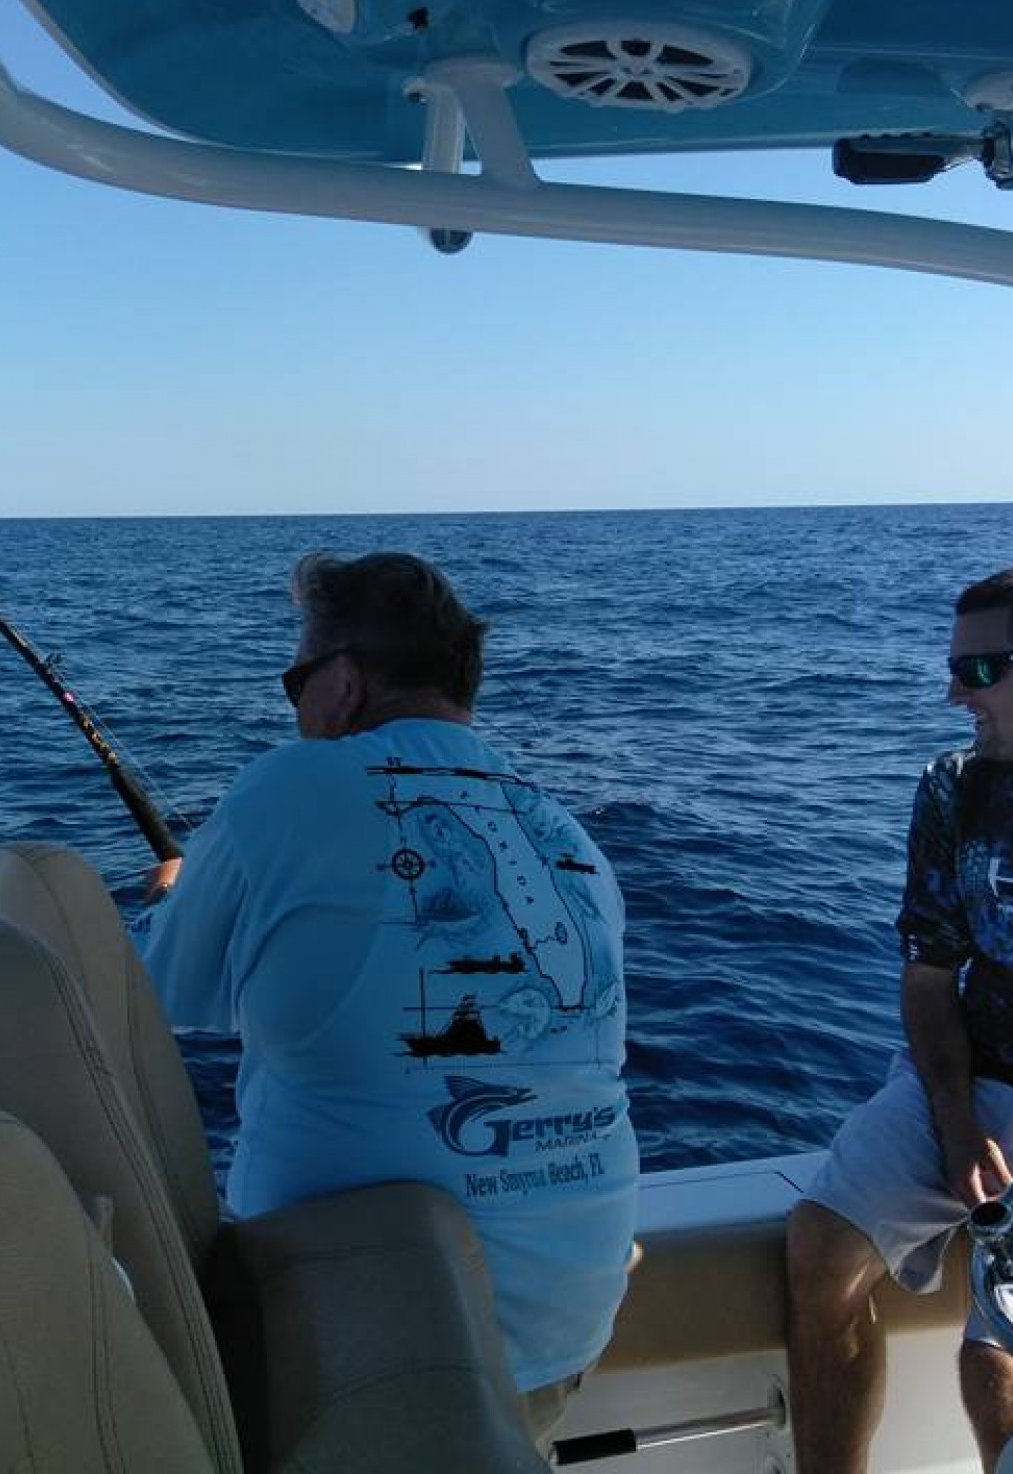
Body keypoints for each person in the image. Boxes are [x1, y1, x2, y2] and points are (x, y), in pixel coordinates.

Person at [132, 550, 638, 1440]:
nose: (294, 708)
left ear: (345, 683)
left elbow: (155, 998)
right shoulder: (567, 836)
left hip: (376, 1338)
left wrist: (184, 894)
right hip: (570, 1320)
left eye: (296, 679)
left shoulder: (287, 788)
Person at [786, 562, 1013, 1473]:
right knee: (821, 1248)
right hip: (963, 1078)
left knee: (997, 1367)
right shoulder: (956, 788)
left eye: (979, 672)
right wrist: (956, 1132)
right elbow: (928, 980)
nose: (954, 693)